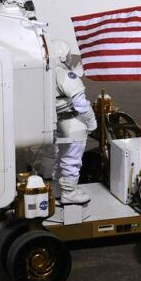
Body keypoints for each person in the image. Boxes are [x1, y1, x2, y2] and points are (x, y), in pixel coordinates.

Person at [51, 40, 96, 204]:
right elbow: (81, 105)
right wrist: (92, 122)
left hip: (55, 122)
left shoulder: (47, 72)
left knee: (58, 155)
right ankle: (69, 193)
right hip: (71, 121)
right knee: (72, 157)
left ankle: (56, 189)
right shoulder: (65, 76)